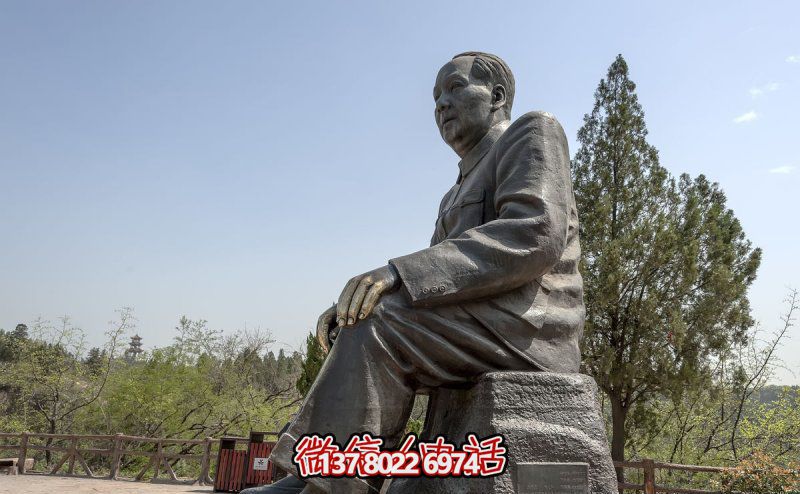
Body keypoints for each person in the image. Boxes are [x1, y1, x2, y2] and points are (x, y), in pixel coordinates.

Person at [242, 51, 583, 494]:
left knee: (380, 321)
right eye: (435, 96)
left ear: (497, 96)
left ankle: (333, 485)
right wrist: (361, 299)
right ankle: (320, 475)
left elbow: (534, 233)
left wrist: (396, 275)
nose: (441, 103)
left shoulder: (532, 131)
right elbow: (441, 280)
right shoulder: (452, 194)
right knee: (365, 314)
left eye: (455, 88)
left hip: (530, 327)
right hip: (483, 325)